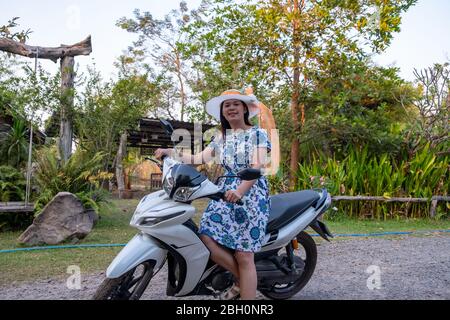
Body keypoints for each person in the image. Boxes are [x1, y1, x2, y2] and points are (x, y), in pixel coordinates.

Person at [155, 89, 271, 300]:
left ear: (245, 109)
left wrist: (240, 191)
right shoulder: (221, 138)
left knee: (244, 255)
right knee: (205, 237)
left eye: (236, 104)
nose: (231, 108)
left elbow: (257, 166)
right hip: (224, 192)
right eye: (227, 105)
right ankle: (241, 280)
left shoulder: (258, 134)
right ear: (223, 112)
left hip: (251, 194)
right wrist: (170, 153)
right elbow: (198, 158)